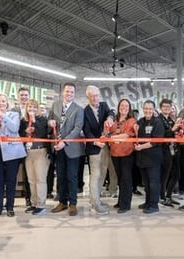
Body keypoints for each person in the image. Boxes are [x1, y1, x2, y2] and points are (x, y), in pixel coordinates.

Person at [0, 93, 27, 219]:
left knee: (11, 181)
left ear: (7, 103)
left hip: (11, 152)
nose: (1, 103)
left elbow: (14, 129)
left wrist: (3, 117)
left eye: (3, 101)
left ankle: (10, 207)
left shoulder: (14, 115)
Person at [48, 82, 85, 216]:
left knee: (72, 177)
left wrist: (65, 141)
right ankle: (62, 201)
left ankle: (73, 203)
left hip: (72, 148)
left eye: (72, 92)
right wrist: (50, 122)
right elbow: (50, 120)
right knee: (61, 176)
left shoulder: (78, 109)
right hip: (58, 147)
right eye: (67, 91)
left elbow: (77, 128)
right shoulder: (55, 105)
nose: (69, 94)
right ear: (63, 92)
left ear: (74, 94)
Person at [82, 85, 116, 215]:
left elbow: (111, 112)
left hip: (106, 147)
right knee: (95, 176)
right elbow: (86, 130)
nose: (95, 98)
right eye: (92, 96)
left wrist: (110, 118)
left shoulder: (103, 105)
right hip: (94, 148)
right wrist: (96, 142)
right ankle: (95, 204)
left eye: (97, 95)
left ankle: (96, 199)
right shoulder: (84, 111)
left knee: (102, 174)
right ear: (88, 97)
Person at [19, 99, 50, 216]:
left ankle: (41, 204)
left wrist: (34, 121)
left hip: (40, 151)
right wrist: (25, 131)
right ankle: (34, 203)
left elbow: (43, 133)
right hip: (28, 153)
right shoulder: (23, 121)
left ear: (37, 109)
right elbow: (20, 134)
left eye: (34, 107)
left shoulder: (42, 120)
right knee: (31, 180)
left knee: (40, 179)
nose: (31, 110)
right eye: (29, 107)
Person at [134, 100, 165, 214]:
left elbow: (155, 141)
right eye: (146, 108)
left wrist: (141, 147)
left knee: (153, 182)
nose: (147, 111)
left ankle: (154, 205)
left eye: (150, 109)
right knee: (146, 183)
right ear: (143, 109)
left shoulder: (158, 122)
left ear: (154, 109)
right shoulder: (141, 121)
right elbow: (136, 135)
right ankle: (147, 202)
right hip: (142, 158)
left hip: (153, 158)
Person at [108, 99, 136, 214]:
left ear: (129, 108)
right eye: (122, 105)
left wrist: (113, 138)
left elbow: (126, 135)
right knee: (120, 178)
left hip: (127, 154)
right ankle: (120, 201)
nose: (123, 107)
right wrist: (110, 136)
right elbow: (108, 132)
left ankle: (125, 205)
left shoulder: (132, 120)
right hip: (115, 153)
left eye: (126, 106)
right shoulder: (114, 120)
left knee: (126, 179)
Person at [12, 87, 32, 207]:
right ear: (18, 97)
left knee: (27, 174)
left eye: (26, 95)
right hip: (14, 146)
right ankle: (10, 199)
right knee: (11, 174)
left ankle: (28, 199)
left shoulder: (32, 110)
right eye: (21, 95)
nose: (24, 97)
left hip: (28, 147)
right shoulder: (13, 110)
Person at [158, 99, 180, 207]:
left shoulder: (171, 120)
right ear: (161, 108)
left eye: (168, 106)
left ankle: (169, 195)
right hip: (164, 151)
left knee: (176, 174)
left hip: (174, 150)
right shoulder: (158, 120)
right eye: (164, 106)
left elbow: (174, 133)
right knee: (164, 175)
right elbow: (161, 135)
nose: (167, 108)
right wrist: (173, 129)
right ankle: (162, 197)